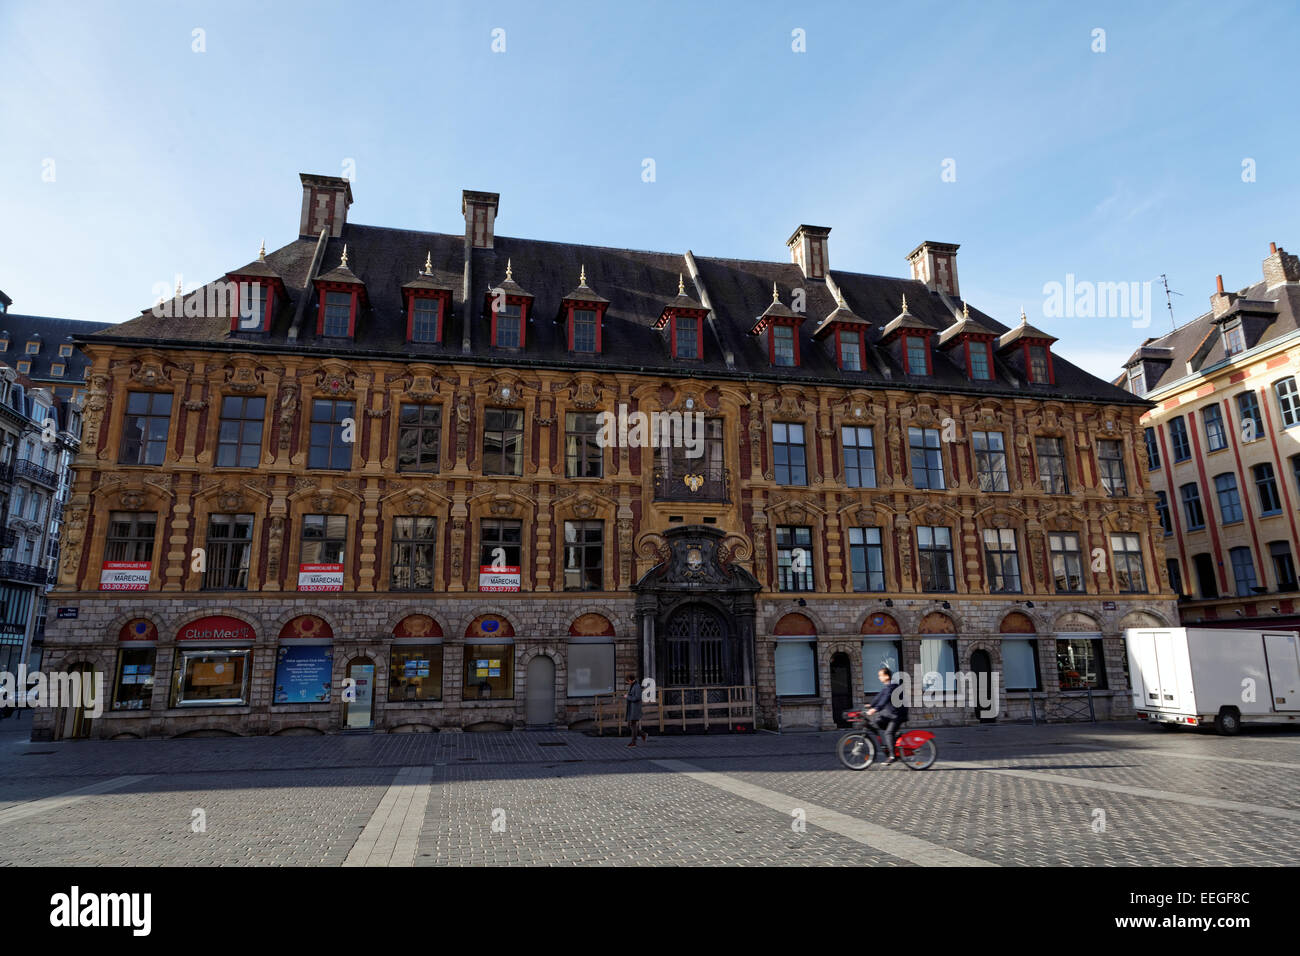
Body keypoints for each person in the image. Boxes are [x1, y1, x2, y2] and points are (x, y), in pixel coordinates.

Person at [865, 667, 907, 764]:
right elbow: (879, 697)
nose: (879, 677)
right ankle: (895, 737)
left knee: (888, 733)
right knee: (878, 723)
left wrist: (875, 709)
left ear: (887, 676)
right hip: (891, 714)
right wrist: (870, 705)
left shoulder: (892, 687)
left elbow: (885, 698)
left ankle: (892, 756)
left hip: (898, 715)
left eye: (880, 675)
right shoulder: (887, 686)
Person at [624, 674, 648, 747]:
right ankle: (643, 734)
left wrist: (628, 697)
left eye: (628, 681)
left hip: (635, 709)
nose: (628, 683)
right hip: (631, 708)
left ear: (631, 680)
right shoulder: (633, 685)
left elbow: (637, 698)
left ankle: (633, 742)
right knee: (632, 725)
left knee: (633, 725)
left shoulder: (637, 686)